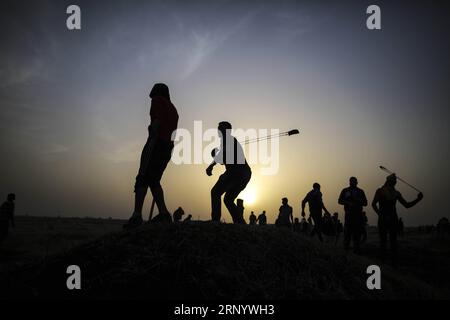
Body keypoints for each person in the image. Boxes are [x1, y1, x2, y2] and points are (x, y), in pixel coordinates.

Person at [125, 83, 179, 228]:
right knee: (154, 179)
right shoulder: (173, 108)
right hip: (168, 146)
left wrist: (151, 137)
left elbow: (157, 121)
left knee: (143, 177)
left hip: (156, 142)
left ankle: (137, 215)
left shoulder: (157, 101)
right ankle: (164, 213)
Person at [372, 174, 423, 266]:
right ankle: (383, 261)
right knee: (384, 241)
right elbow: (373, 204)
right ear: (388, 181)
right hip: (384, 218)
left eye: (395, 181)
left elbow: (406, 205)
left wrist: (418, 199)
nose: (395, 182)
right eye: (393, 181)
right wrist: (380, 214)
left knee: (393, 241)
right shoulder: (380, 191)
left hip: (392, 218)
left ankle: (392, 262)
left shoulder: (396, 193)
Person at [206, 121, 252, 224]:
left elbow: (223, 156)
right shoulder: (227, 142)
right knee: (228, 199)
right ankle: (239, 222)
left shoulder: (229, 140)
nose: (218, 130)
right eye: (218, 128)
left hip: (237, 173)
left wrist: (211, 165)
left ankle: (215, 220)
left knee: (215, 192)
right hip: (244, 174)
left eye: (221, 128)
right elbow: (223, 158)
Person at [338, 177, 368, 254]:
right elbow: (339, 201)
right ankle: (345, 252)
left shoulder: (360, 191)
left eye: (354, 181)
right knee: (347, 234)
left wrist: (358, 200)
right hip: (348, 215)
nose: (353, 183)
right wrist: (347, 203)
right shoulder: (345, 190)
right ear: (349, 182)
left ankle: (356, 251)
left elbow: (365, 203)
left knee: (357, 235)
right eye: (351, 181)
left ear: (357, 182)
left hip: (358, 215)